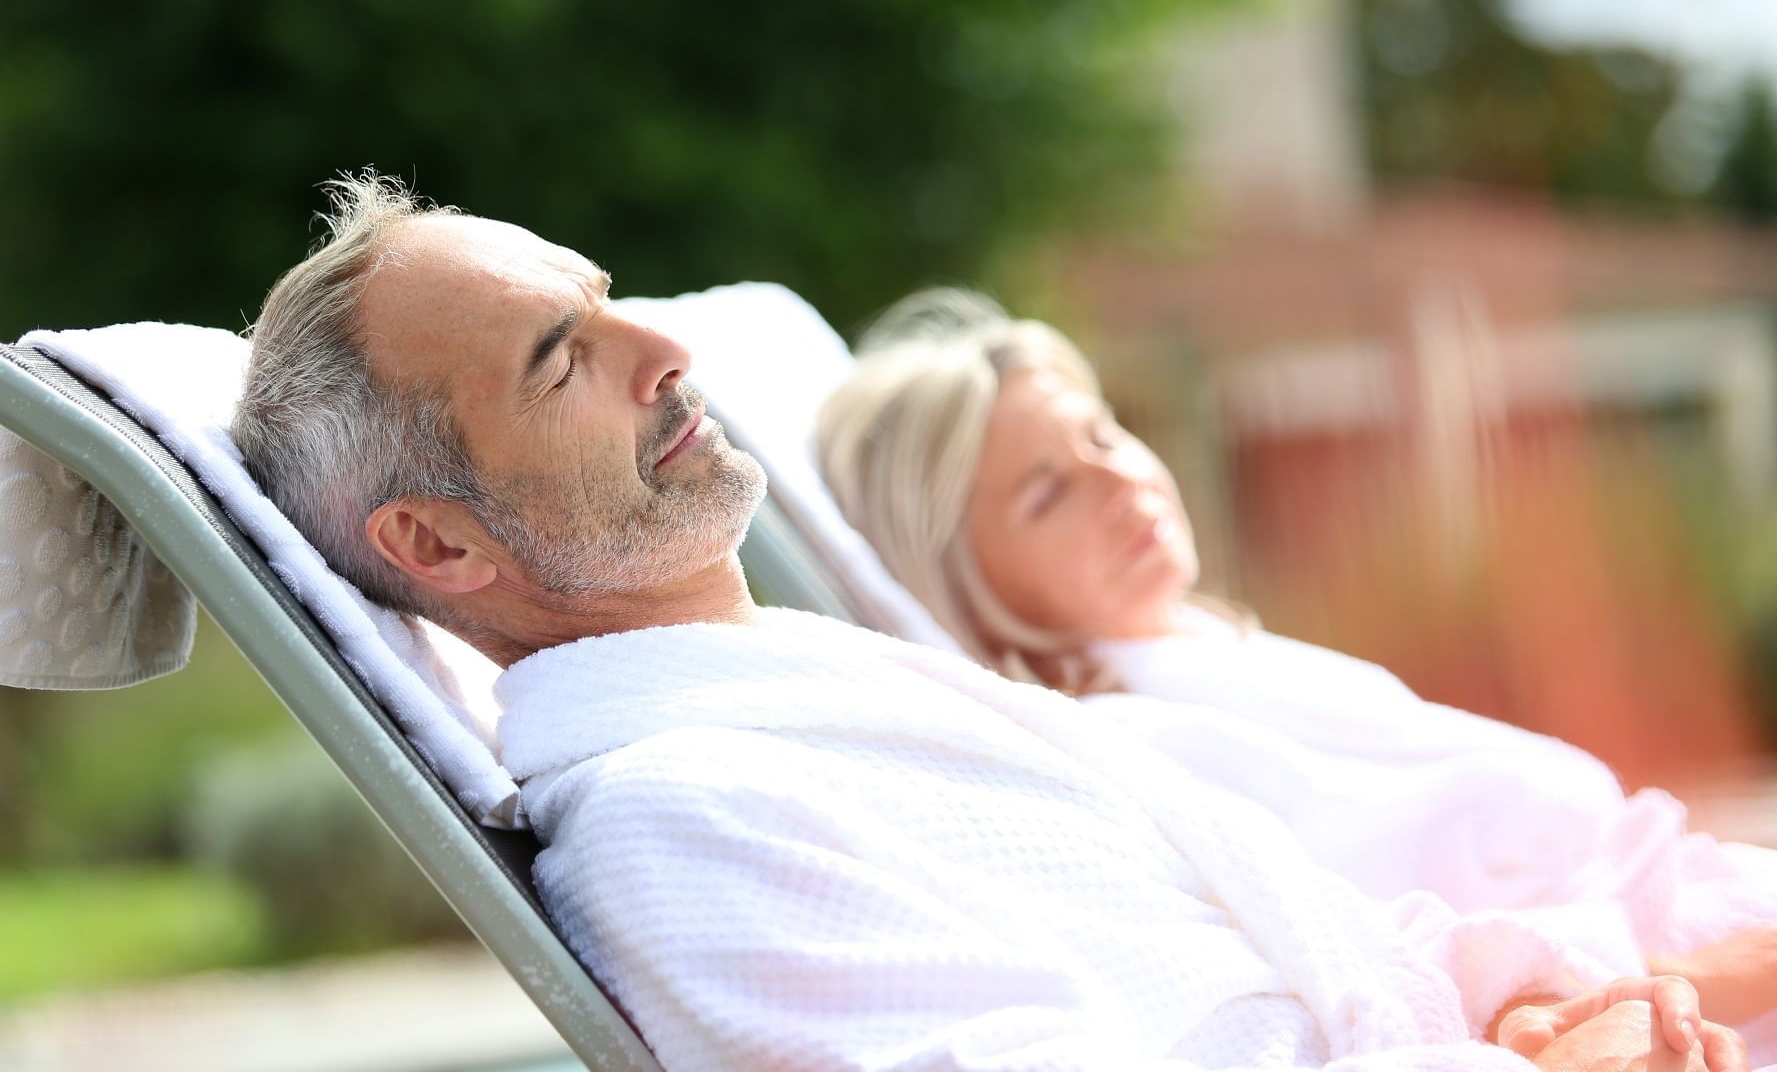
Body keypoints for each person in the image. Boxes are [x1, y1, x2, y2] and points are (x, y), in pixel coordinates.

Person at [233, 176, 1743, 1072]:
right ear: (435, 539)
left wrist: (1537, 1003)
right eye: (562, 358)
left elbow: (1302, 943)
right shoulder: (679, 822)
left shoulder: (829, 703)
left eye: (608, 298)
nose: (662, 346)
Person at [815, 289, 1777, 1056]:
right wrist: (1706, 969)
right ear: (962, 574)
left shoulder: (1212, 650)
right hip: (1661, 994)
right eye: (1046, 491)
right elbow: (1402, 967)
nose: (1122, 483)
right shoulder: (1136, 747)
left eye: (1103, 434)